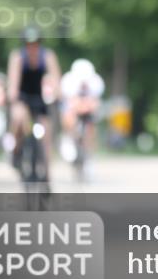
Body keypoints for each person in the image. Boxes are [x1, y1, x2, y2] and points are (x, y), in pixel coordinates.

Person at [6, 27, 62, 182]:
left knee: (46, 134)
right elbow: (13, 82)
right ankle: (16, 152)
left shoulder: (48, 56)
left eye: (35, 43)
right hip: (23, 97)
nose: (32, 47)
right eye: (29, 44)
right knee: (18, 119)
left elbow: (56, 79)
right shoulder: (18, 57)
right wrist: (14, 96)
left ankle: (47, 173)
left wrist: (57, 93)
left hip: (40, 98)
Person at [59, 59, 105, 175]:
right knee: (68, 118)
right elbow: (70, 104)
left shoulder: (97, 83)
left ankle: (89, 157)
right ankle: (69, 138)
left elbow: (96, 103)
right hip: (73, 108)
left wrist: (88, 106)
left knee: (91, 129)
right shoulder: (68, 82)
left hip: (87, 108)